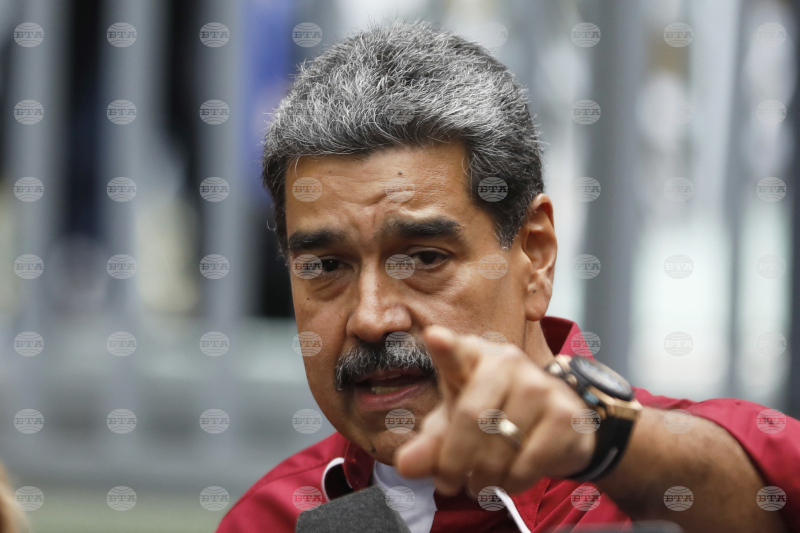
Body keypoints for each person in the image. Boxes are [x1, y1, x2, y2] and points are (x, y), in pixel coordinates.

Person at [217, 21, 800, 533]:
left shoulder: (661, 485)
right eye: (325, 267)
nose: (371, 318)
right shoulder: (269, 519)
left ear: (535, 254)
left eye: (424, 258)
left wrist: (609, 444)